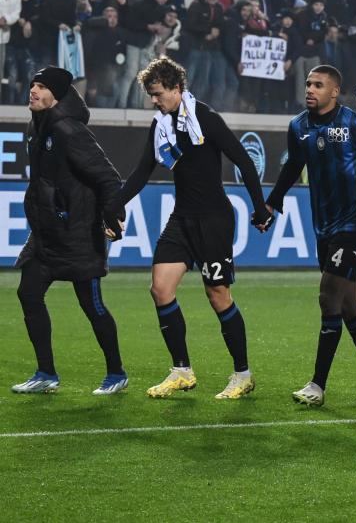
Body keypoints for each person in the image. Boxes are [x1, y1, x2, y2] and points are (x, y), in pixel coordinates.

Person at [113, 57, 273, 399]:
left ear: (176, 87)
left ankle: (243, 375)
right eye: (150, 94)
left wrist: (260, 208)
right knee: (160, 288)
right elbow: (142, 172)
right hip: (182, 218)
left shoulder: (205, 117)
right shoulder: (160, 125)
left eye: (158, 93)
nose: (153, 100)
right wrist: (113, 204)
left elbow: (244, 161)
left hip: (213, 219)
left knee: (218, 295)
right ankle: (182, 371)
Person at [264, 65, 356, 407]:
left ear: (334, 92)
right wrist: (272, 202)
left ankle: (317, 385)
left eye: (318, 85)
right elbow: (293, 166)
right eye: (308, 84)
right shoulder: (298, 126)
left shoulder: (354, 124)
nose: (310, 89)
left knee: (328, 296)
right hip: (324, 227)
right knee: (347, 306)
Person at [11, 68, 127, 396]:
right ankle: (46, 373)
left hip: (78, 234)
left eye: (41, 86)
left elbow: (107, 177)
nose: (33, 90)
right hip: (47, 233)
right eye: (32, 84)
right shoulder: (38, 126)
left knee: (92, 305)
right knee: (28, 293)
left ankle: (116, 373)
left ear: (57, 96)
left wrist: (114, 216)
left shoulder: (68, 130)